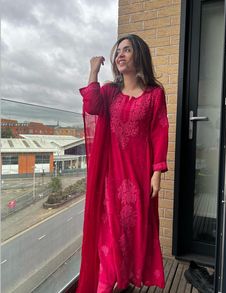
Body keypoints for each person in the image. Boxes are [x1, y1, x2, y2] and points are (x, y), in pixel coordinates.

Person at [76, 34, 169, 293]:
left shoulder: (154, 95)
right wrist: (93, 70)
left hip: (139, 176)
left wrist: (157, 173)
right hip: (110, 176)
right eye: (118, 50)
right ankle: (105, 286)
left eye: (127, 49)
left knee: (133, 233)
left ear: (139, 55)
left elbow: (159, 131)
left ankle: (124, 279)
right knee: (108, 234)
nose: (120, 54)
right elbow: (91, 105)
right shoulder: (109, 92)